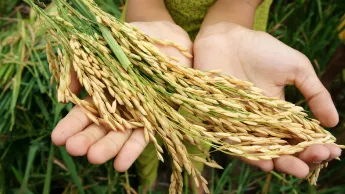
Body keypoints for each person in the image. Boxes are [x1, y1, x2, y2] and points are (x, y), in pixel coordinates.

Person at [51, 0, 342, 193]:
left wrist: (231, 16)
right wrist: (146, 9)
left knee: (207, 124)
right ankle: (151, 178)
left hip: (233, 38)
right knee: (146, 123)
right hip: (150, 36)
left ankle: (194, 176)